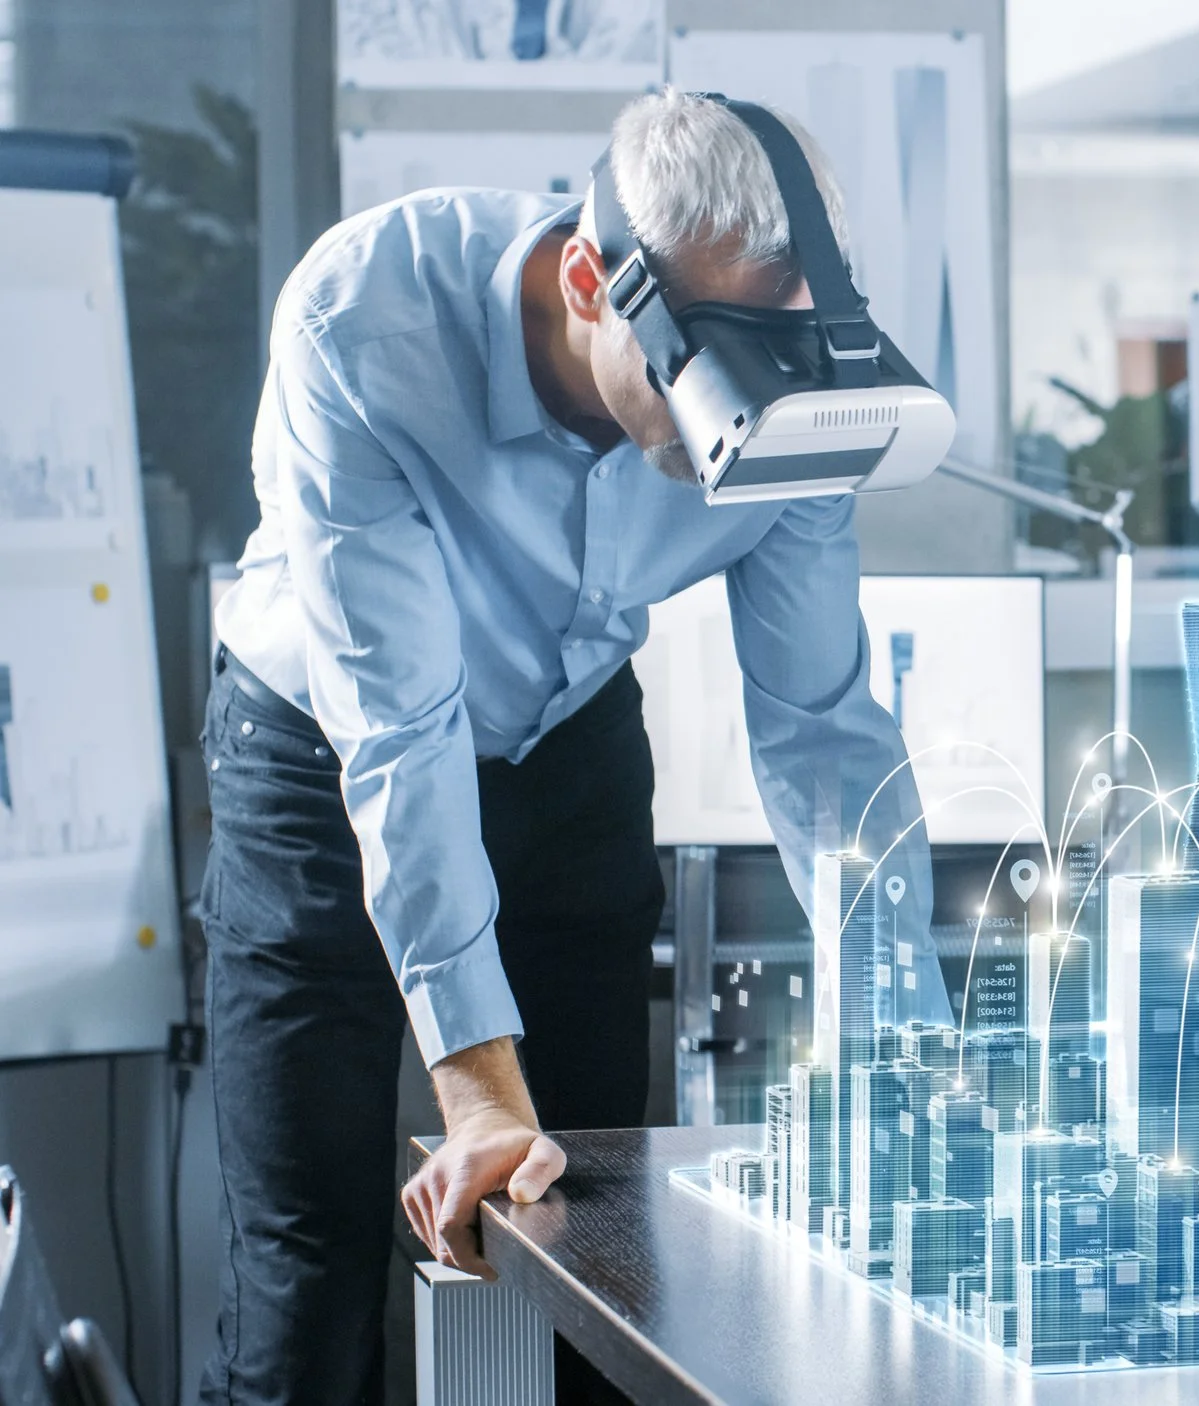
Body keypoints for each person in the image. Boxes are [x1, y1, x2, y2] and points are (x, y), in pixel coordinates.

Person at [201, 89, 933, 1402]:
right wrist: (479, 1093)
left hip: (570, 732)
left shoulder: (804, 392)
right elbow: (401, 734)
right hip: (320, 757)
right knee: (309, 1283)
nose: (742, 424)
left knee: (592, 1259)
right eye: (708, 368)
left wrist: (910, 1053)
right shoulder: (365, 318)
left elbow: (825, 731)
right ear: (593, 281)